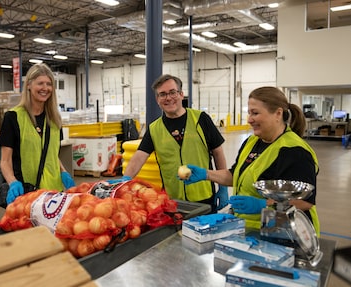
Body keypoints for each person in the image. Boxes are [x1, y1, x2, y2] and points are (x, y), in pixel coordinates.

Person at [182, 86, 320, 234]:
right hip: (251, 229)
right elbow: (236, 175)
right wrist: (206, 174)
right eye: (249, 113)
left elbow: (305, 202)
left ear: (278, 114)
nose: (249, 119)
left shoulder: (294, 151)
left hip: (286, 232)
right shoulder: (252, 142)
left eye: (255, 113)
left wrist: (263, 205)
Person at [122, 74, 228, 212]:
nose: (168, 98)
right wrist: (124, 180)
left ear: (181, 94)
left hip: (204, 197)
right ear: (157, 99)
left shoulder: (201, 119)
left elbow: (218, 153)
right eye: (162, 94)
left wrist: (223, 186)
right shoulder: (154, 128)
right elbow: (139, 157)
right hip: (173, 201)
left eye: (172, 92)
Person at [0, 63, 75, 205]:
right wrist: (13, 182)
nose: (45, 88)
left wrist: (63, 171)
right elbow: (5, 161)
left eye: (49, 84)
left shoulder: (55, 119)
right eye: (40, 83)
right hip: (25, 193)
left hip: (53, 194)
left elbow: (51, 154)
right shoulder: (13, 118)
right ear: (29, 85)